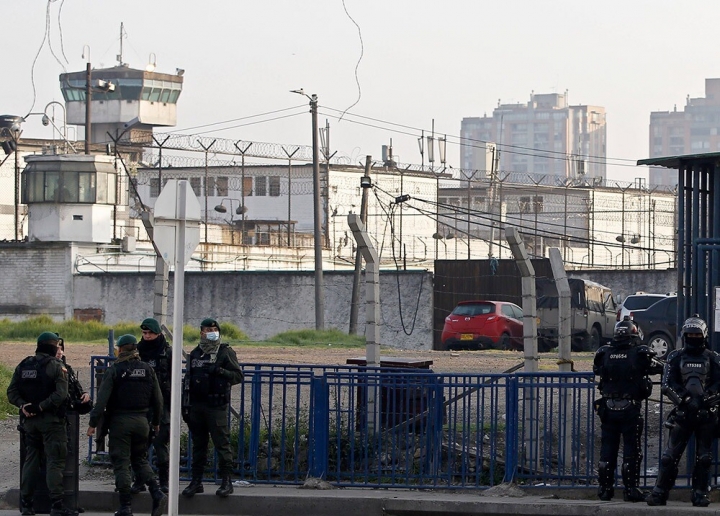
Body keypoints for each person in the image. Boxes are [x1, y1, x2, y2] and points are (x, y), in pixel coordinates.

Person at [86, 334, 167, 516]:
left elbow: (101, 401)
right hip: (142, 422)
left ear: (121, 349)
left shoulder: (115, 370)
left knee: (121, 462)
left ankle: (125, 506)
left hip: (120, 422)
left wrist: (93, 424)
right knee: (140, 459)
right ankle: (157, 492)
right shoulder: (147, 369)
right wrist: (155, 423)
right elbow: (159, 400)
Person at [647, 315, 720, 507]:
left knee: (704, 458)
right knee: (669, 457)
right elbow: (667, 385)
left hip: (706, 415)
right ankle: (659, 492)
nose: (693, 337)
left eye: (697, 334)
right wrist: (685, 400)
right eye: (690, 334)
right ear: (684, 335)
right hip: (682, 414)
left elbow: (719, 384)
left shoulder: (713, 358)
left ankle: (700, 493)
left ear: (703, 335)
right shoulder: (675, 356)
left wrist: (705, 400)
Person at [593, 316, 663, 502]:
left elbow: (596, 370)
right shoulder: (640, 353)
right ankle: (631, 490)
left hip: (607, 407)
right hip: (629, 408)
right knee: (632, 451)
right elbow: (660, 368)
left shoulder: (604, 353)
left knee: (607, 450)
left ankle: (605, 490)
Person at [6, 331, 73, 516]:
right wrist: (41, 407)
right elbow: (61, 395)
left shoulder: (24, 364)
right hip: (51, 422)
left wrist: (24, 406)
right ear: (52, 347)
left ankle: (26, 505)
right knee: (55, 462)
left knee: (31, 461)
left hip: (30, 422)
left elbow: (11, 392)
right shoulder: (56, 366)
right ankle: (57, 506)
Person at [181, 318, 243, 498]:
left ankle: (226, 481)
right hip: (197, 406)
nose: (211, 332)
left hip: (216, 406)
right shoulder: (194, 354)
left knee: (222, 444)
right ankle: (196, 481)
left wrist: (220, 372)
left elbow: (238, 376)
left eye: (214, 329)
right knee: (198, 446)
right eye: (207, 329)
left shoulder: (225, 352)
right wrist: (186, 406)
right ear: (201, 332)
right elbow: (187, 381)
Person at [130, 318, 172, 495]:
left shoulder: (167, 353)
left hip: (161, 406)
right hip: (142, 407)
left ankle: (164, 481)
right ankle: (140, 480)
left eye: (150, 333)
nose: (146, 336)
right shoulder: (137, 352)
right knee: (140, 446)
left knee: (160, 444)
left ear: (158, 334)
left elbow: (173, 378)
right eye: (144, 333)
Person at [55, 335, 93, 415]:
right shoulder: (47, 368)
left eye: (61, 349)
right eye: (56, 349)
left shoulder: (67, 368)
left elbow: (76, 386)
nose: (59, 352)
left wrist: (84, 395)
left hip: (69, 413)